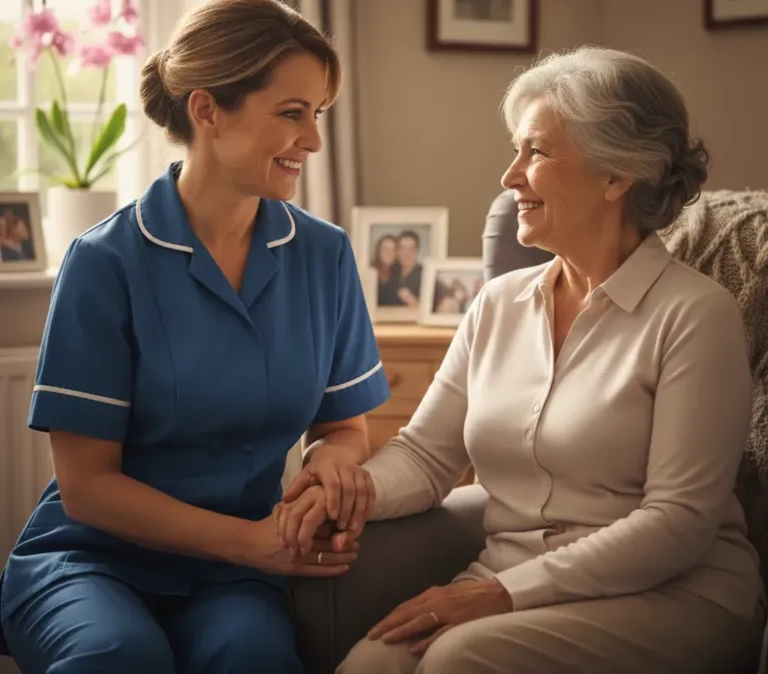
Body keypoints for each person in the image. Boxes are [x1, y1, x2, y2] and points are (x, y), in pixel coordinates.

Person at [280, 46, 766, 673]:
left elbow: (678, 523)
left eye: (536, 152)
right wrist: (350, 493)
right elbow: (428, 457)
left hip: (675, 593)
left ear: (617, 176)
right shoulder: (498, 303)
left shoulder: (696, 315)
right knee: (371, 665)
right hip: (513, 580)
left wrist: (501, 594)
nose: (510, 177)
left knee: (458, 659)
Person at [0, 0, 390, 674]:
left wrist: (332, 461)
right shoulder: (104, 262)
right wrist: (249, 542)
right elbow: (88, 486)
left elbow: (345, 427)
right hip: (91, 560)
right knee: (119, 657)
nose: (315, 141)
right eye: (292, 114)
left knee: (256, 659)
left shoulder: (323, 256)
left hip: (230, 579)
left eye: (319, 114)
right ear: (208, 110)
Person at [392, 231, 423, 308]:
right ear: (397, 251)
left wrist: (413, 301)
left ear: (416, 251)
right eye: (402, 249)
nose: (405, 253)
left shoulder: (425, 275)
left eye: (410, 249)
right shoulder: (391, 271)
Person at [371, 234, 400, 306]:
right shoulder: (371, 271)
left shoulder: (401, 272)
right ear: (379, 251)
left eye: (393, 250)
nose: (389, 253)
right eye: (385, 249)